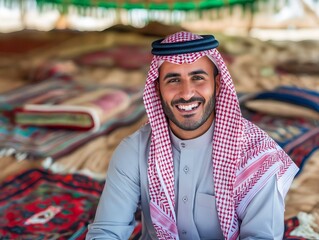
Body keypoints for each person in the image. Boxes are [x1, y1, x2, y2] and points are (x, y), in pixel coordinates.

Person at [86, 31, 299, 240]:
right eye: (173, 80)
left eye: (198, 78)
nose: (187, 93)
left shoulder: (257, 156)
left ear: (217, 84)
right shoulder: (134, 151)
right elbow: (106, 232)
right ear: (157, 89)